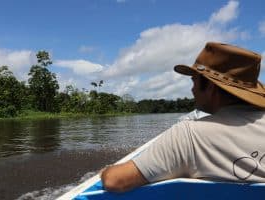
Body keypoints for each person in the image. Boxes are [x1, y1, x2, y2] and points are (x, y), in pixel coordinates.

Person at [100, 42, 265, 192]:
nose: (192, 90)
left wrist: (105, 171)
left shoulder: (189, 134)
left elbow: (114, 181)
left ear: (211, 88)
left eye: (194, 81)